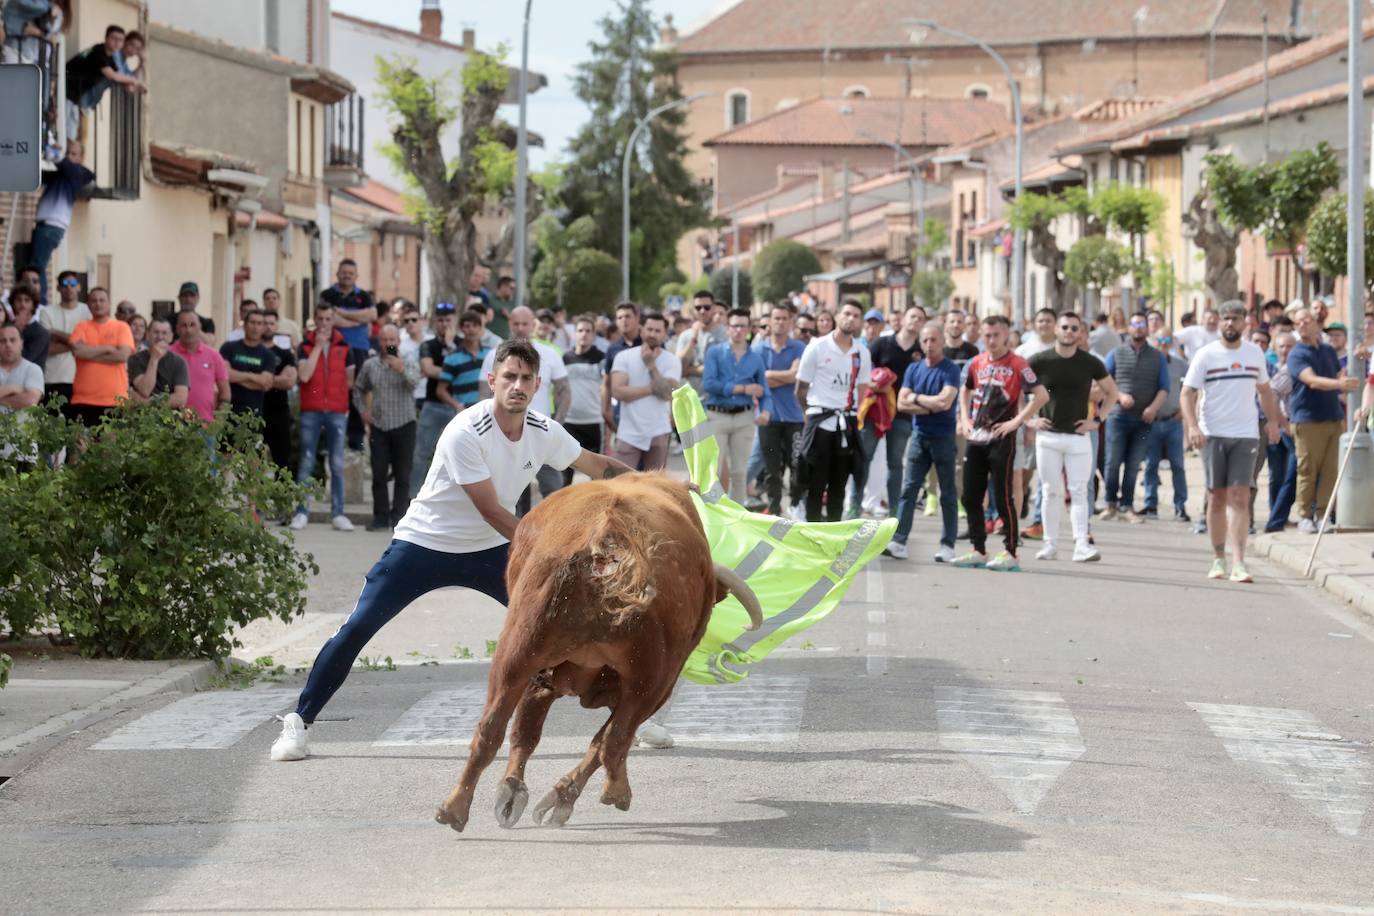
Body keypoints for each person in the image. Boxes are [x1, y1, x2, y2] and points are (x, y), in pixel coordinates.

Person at [270, 338, 636, 762]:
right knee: (358, 628)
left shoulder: (542, 430)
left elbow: (596, 465)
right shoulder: (466, 429)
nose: (517, 385)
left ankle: (627, 716)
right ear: (491, 380)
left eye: (525, 379)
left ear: (538, 385)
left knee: (571, 621)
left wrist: (652, 484)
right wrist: (550, 551)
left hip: (490, 550)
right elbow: (491, 510)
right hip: (424, 544)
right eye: (509, 376)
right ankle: (298, 722)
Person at [1181, 300, 1281, 583]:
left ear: (1245, 322)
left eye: (1235, 319)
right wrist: (1192, 426)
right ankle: (1218, 558)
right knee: (1216, 497)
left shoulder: (1254, 354)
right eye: (1225, 318)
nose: (1229, 323)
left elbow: (1264, 390)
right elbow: (1187, 393)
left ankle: (1239, 562)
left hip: (1245, 433)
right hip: (1212, 432)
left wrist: (1272, 422)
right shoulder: (1206, 355)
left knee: (1240, 496)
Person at [951, 315, 1048, 572]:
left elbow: (1041, 395)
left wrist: (1017, 422)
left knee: (1003, 494)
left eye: (995, 335)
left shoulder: (1018, 363)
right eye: (987, 335)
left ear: (1006, 335)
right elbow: (965, 390)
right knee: (970, 495)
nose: (991, 340)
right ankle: (978, 549)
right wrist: (964, 418)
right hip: (976, 438)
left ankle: (1011, 550)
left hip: (1001, 438)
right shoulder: (976, 362)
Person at [1026, 312, 1119, 562]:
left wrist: (1098, 420)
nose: (1069, 331)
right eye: (1064, 327)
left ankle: (1081, 545)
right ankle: (1050, 544)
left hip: (1079, 437)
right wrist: (1028, 420)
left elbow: (1112, 392)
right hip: (1048, 436)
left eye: (1074, 328)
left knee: (1079, 491)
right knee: (1049, 491)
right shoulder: (1038, 360)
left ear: (1080, 333)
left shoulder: (1090, 362)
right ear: (1056, 329)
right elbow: (1015, 391)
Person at [479, 306, 571, 513]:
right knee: (512, 499)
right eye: (516, 324)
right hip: (506, 438)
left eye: (525, 324)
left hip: (542, 436)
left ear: (533, 324)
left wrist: (557, 423)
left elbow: (564, 391)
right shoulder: (495, 355)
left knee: (555, 494)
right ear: (509, 324)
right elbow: (484, 395)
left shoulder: (549, 354)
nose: (520, 329)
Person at [887, 321, 962, 562]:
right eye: (926, 340)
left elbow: (945, 402)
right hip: (919, 437)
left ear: (942, 342)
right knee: (908, 490)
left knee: (947, 492)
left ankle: (947, 545)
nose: (929, 345)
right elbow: (901, 403)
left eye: (934, 340)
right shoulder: (913, 369)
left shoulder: (950, 369)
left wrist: (916, 400)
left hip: (943, 436)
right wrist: (928, 404)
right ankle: (899, 541)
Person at [796, 300, 871, 523]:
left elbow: (863, 390)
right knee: (816, 484)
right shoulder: (817, 347)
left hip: (845, 426)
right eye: (847, 313)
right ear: (837, 316)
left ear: (860, 321)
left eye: (856, 315)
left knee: (839, 485)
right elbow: (800, 389)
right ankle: (811, 535)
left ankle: (834, 538)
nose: (851, 318)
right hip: (820, 423)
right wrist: (810, 414)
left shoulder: (862, 353)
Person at [1287, 306, 1359, 533]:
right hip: (1307, 419)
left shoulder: (1328, 350)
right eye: (1298, 322)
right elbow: (1312, 380)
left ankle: (1323, 514)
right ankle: (1304, 515)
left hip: (1333, 417)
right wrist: (1340, 385)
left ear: (1316, 323)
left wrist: (1348, 376)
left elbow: (1339, 375)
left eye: (1306, 320)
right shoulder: (1297, 353)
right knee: (1308, 470)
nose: (1302, 324)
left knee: (1331, 471)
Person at [290, 304, 359, 532]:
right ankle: (301, 512)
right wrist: (318, 348)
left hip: (337, 411)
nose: (324, 323)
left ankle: (338, 514)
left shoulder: (344, 347)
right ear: (315, 320)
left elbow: (349, 381)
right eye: (320, 318)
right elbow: (304, 375)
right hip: (312, 408)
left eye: (328, 319)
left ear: (333, 321)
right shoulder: (305, 346)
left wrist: (339, 399)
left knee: (337, 464)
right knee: (307, 462)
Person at [857, 305, 925, 518]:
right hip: (875, 411)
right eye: (912, 316)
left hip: (903, 414)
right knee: (864, 457)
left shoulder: (921, 350)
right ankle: (854, 506)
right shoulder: (882, 343)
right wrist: (876, 385)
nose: (915, 321)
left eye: (920, 318)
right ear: (903, 319)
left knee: (895, 463)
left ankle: (895, 511)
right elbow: (862, 373)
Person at [1102, 312, 1169, 522]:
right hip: (1118, 418)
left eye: (1142, 324)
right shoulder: (1116, 353)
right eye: (1135, 324)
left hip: (1143, 422)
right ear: (1128, 328)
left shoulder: (1158, 357)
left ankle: (1127, 506)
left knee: (1133, 465)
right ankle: (1110, 503)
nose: (1138, 328)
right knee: (1112, 463)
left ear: (1147, 329)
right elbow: (1105, 381)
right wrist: (1120, 396)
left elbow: (1164, 388)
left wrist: (1153, 408)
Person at [354, 323, 421, 531]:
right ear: (379, 342)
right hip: (380, 426)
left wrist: (401, 369)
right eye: (384, 340)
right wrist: (364, 411)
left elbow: (414, 384)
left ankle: (399, 517)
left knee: (403, 475)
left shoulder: (409, 362)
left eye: (392, 340)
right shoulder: (370, 365)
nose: (388, 343)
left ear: (398, 342)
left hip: (404, 424)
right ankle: (380, 517)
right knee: (378, 473)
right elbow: (358, 389)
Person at [702, 307, 772, 502]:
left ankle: (737, 519)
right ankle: (712, 516)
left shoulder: (756, 357)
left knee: (740, 473)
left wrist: (766, 411)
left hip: (745, 418)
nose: (738, 330)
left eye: (742, 326)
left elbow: (764, 391)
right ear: (727, 328)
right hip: (717, 415)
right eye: (734, 326)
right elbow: (709, 384)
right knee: (713, 471)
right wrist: (742, 389)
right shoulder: (715, 352)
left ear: (749, 328)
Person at [609, 311, 681, 471]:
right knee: (622, 484)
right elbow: (618, 392)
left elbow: (668, 393)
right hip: (628, 432)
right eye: (649, 329)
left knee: (654, 487)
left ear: (664, 334)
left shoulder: (672, 360)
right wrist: (651, 389)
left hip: (659, 431)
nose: (652, 334)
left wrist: (651, 366)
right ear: (642, 330)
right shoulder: (624, 356)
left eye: (657, 331)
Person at [755, 303, 807, 517]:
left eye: (784, 318)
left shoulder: (799, 348)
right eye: (776, 318)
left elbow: (798, 378)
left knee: (796, 465)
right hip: (769, 419)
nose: (780, 322)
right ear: (770, 321)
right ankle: (775, 510)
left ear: (791, 322)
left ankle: (796, 506)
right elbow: (759, 383)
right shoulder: (759, 349)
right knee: (772, 470)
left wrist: (770, 376)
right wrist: (786, 375)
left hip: (795, 417)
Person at [319, 259, 376, 452]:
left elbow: (372, 316)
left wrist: (342, 313)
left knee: (357, 393)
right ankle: (329, 441)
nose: (347, 276)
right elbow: (330, 319)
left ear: (356, 276)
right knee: (333, 391)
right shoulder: (327, 294)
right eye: (344, 272)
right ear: (337, 274)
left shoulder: (364, 296)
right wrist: (358, 319)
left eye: (351, 273)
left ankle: (357, 441)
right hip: (335, 348)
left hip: (359, 349)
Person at [28, 141, 94, 302]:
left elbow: (70, 168)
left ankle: (40, 301)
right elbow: (43, 175)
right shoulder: (63, 174)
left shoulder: (77, 173)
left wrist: (57, 157)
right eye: (68, 153)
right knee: (37, 264)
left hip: (52, 225)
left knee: (38, 266)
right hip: (47, 225)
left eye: (74, 154)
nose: (69, 157)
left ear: (82, 157)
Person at [411, 303, 460, 498]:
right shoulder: (428, 345)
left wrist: (450, 347)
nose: (444, 324)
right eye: (440, 320)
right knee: (421, 454)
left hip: (458, 406)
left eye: (448, 320)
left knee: (457, 456)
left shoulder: (462, 344)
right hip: (432, 405)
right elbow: (428, 370)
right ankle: (412, 496)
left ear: (454, 321)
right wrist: (454, 370)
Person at [67, 287, 134, 427]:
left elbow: (122, 356)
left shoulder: (121, 327)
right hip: (83, 400)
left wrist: (89, 354)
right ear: (88, 304)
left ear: (109, 303)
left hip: (115, 400)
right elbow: (78, 352)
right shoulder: (82, 326)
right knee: (81, 447)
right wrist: (107, 349)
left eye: (102, 300)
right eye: (94, 300)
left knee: (110, 448)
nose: (98, 304)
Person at [65, 25, 145, 140]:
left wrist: (141, 65)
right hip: (69, 92)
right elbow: (113, 76)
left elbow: (128, 85)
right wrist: (136, 81)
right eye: (114, 39)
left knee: (73, 136)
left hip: (77, 97)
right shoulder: (101, 52)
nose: (117, 43)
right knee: (68, 132)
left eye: (120, 40)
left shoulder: (111, 58)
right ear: (106, 38)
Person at [1141, 337, 1190, 522]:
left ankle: (1180, 506)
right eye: (1159, 340)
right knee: (1151, 465)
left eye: (1167, 340)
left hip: (1173, 421)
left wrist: (1185, 410)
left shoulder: (1180, 364)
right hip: (1152, 421)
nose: (1163, 343)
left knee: (1177, 465)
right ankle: (1150, 504)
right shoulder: (1149, 363)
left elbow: (1193, 386)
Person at [561, 314, 606, 485]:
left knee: (597, 477)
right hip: (570, 422)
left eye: (588, 331)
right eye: (580, 330)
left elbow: (607, 388)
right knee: (565, 475)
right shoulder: (566, 358)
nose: (584, 334)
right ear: (575, 334)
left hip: (594, 422)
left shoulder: (601, 358)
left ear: (594, 334)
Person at [1262, 330, 1298, 533]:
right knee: (1278, 474)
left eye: (1289, 346)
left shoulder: (1294, 367)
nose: (1285, 350)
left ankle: (1278, 517)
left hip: (1288, 428)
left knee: (1289, 474)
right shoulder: (1278, 370)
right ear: (1275, 349)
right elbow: (1270, 396)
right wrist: (1281, 424)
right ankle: (1276, 516)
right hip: (1281, 428)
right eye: (1282, 346)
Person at [38, 270, 89, 410]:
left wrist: (55, 332)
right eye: (65, 284)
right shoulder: (47, 312)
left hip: (79, 379)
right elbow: (46, 349)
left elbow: (91, 343)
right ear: (58, 288)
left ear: (79, 287)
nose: (69, 287)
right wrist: (78, 344)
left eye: (73, 283)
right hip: (50, 379)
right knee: (50, 428)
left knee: (76, 427)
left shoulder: (87, 311)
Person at [170, 309, 228, 423]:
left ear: (200, 327)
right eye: (184, 325)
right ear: (177, 329)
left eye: (192, 325)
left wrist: (219, 422)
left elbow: (225, 391)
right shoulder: (168, 354)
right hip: (172, 426)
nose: (188, 330)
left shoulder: (213, 355)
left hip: (205, 426)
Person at [219, 308, 278, 419]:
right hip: (227, 412)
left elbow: (265, 383)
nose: (255, 327)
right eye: (252, 322)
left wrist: (236, 377)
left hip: (253, 416)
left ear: (263, 328)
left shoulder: (268, 355)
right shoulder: (229, 347)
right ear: (245, 325)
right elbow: (225, 375)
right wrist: (254, 377)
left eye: (259, 323)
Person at [601, 301, 643, 451]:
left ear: (637, 318)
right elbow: (606, 383)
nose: (624, 320)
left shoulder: (650, 343)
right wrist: (605, 410)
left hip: (649, 414)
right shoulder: (613, 349)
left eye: (627, 316)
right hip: (622, 414)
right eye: (619, 317)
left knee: (652, 471)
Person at [260, 309, 299, 472]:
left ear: (277, 326)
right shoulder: (251, 352)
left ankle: (280, 498)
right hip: (255, 412)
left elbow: (289, 381)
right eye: (264, 323)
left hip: (279, 412)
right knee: (252, 462)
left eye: (271, 323)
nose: (268, 327)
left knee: (282, 462)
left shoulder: (285, 355)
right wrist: (277, 379)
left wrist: (257, 380)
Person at [435, 310, 489, 416]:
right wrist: (457, 405)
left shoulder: (490, 354)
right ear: (461, 329)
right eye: (467, 326)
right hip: (465, 415)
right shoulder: (452, 358)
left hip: (488, 412)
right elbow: (440, 391)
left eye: (475, 325)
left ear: (481, 328)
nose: (471, 329)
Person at [126, 317, 188, 408]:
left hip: (170, 418)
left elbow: (180, 397)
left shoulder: (179, 362)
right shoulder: (135, 359)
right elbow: (145, 390)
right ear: (147, 335)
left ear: (171, 337)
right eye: (156, 332)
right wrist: (154, 359)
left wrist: (147, 404)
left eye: (164, 333)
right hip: (140, 418)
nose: (160, 337)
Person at [675, 289, 728, 395]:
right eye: (698, 308)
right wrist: (693, 339)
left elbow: (723, 368)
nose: (702, 311)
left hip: (717, 401)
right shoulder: (686, 335)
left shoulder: (725, 334)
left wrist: (689, 371)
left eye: (706, 307)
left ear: (713, 308)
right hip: (692, 400)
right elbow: (678, 369)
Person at [396, 301, 429, 413]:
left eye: (414, 320)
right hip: (411, 395)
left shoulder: (431, 340)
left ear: (421, 321)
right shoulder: (400, 346)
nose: (410, 323)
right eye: (406, 321)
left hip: (431, 395)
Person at [8, 286, 49, 369]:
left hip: (30, 380)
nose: (22, 304)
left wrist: (18, 330)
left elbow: (24, 359)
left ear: (33, 305)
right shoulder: (6, 327)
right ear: (13, 303)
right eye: (19, 300)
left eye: (27, 300)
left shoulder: (41, 333)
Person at [486, 274, 514, 340]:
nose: (512, 291)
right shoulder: (489, 299)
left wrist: (508, 315)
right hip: (489, 339)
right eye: (511, 288)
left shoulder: (511, 303)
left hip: (505, 339)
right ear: (503, 286)